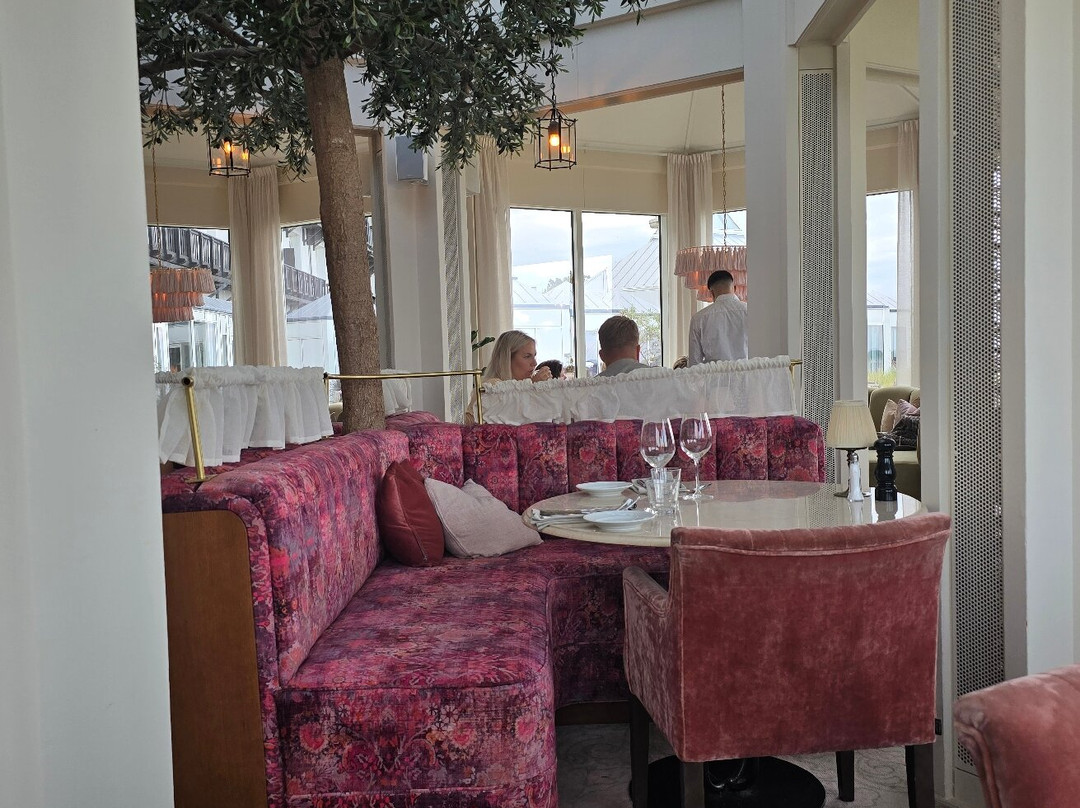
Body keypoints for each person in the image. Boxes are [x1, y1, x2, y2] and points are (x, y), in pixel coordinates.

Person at [465, 330, 552, 423]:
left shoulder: (523, 388)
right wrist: (531, 387)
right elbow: (512, 418)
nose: (534, 363)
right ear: (507, 359)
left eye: (534, 356)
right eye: (527, 356)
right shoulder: (491, 387)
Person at [687, 269, 748, 365]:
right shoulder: (750, 311)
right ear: (735, 288)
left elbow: (695, 363)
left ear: (711, 293)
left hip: (715, 374)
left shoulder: (698, 318)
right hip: (748, 373)